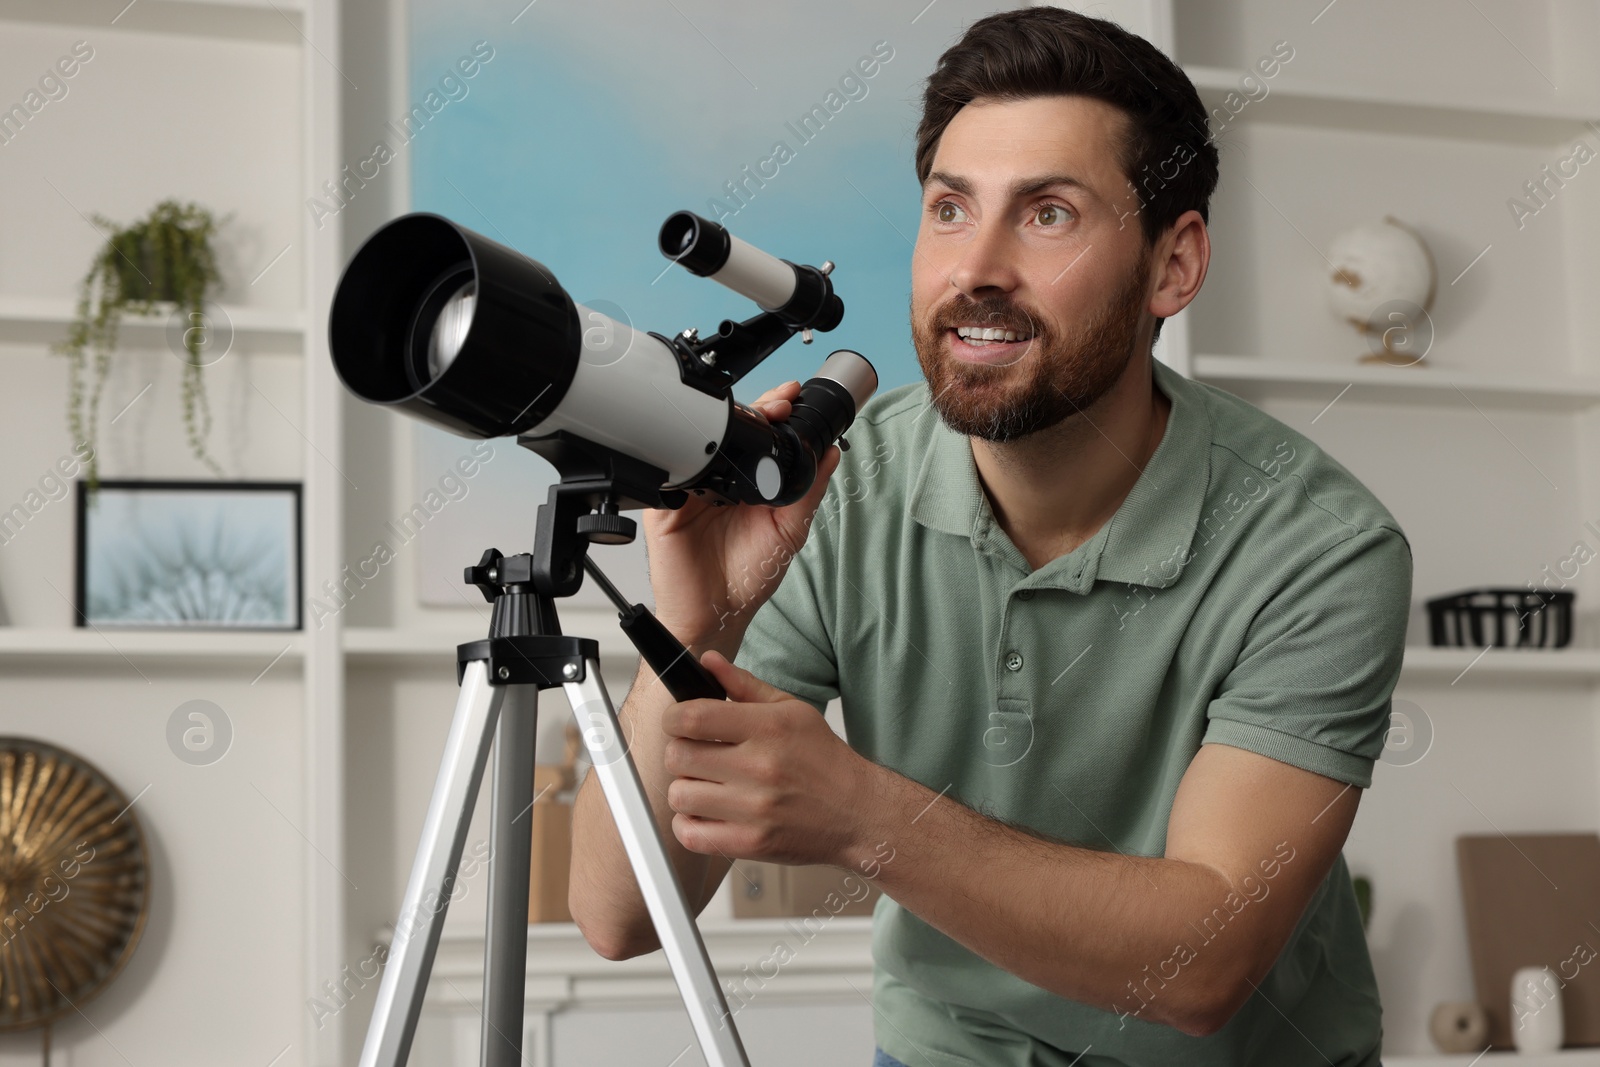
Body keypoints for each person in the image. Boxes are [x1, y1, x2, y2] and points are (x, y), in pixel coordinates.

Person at [570, 8, 1411, 1066]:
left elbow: (1202, 966)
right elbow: (617, 913)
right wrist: (703, 623)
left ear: (1173, 263)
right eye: (950, 208)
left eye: (1048, 213)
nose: (977, 268)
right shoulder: (838, 480)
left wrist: (862, 813)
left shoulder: (1319, 546)